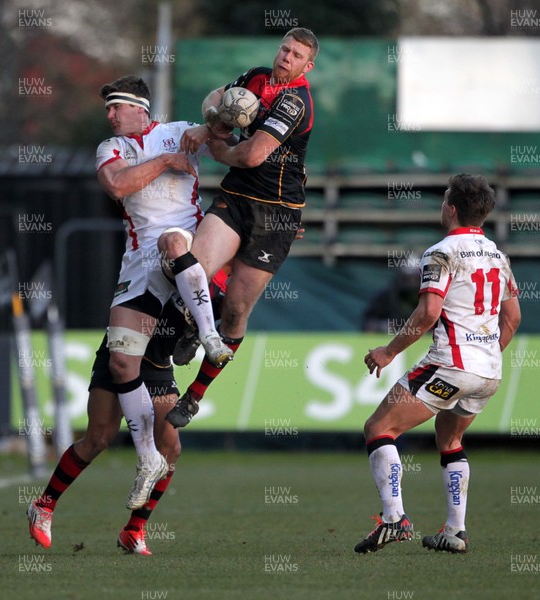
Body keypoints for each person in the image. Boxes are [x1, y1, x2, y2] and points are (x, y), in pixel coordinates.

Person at [353, 174, 521, 555]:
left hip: (451, 365)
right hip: (488, 372)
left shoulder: (441, 252)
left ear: (451, 207)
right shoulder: (498, 256)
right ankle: (455, 532)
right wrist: (486, 357)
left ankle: (395, 520)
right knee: (450, 440)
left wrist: (389, 351)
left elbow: (428, 313)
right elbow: (511, 320)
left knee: (379, 428)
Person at [165, 27, 319, 428]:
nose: (286, 57)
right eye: (284, 48)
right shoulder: (255, 76)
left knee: (235, 311)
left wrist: (217, 147)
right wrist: (211, 121)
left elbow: (251, 155)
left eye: (297, 55)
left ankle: (195, 396)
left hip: (277, 214)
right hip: (237, 198)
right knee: (194, 267)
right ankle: (195, 324)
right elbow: (217, 98)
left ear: (308, 66)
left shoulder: (295, 102)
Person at [95, 75, 233, 509]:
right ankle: (146, 460)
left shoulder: (179, 131)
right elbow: (117, 185)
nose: (110, 115)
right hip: (138, 266)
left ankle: (209, 336)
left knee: (173, 242)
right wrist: (167, 162)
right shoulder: (111, 149)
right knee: (120, 361)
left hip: (187, 251)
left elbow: (231, 134)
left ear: (140, 106)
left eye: (116, 107)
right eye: (108, 109)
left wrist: (215, 117)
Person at [27, 274, 229, 555]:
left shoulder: (232, 288)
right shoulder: (192, 252)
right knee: (98, 439)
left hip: (157, 364)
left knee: (170, 448)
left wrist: (196, 387)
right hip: (124, 348)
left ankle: (134, 530)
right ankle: (44, 505)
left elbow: (228, 339)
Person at [361, 263, 420, 333]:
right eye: (407, 279)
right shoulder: (385, 296)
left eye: (414, 279)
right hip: (388, 335)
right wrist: (381, 325)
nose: (410, 284)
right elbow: (369, 323)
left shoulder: (427, 296)